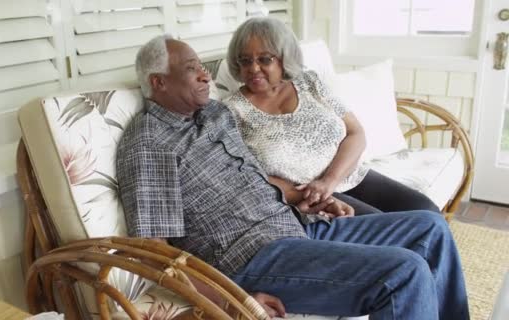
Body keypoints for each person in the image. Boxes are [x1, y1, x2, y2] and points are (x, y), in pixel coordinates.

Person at [116, 34, 469, 319]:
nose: (206, 75)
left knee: (429, 227)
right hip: (249, 257)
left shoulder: (214, 115)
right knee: (403, 271)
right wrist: (229, 301)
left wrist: (306, 198)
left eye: (202, 68)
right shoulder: (149, 142)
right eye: (193, 69)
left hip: (296, 227)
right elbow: (153, 251)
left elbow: (253, 180)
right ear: (158, 82)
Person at [223, 17, 439, 215]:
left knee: (426, 210)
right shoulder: (231, 110)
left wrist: (329, 181)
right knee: (392, 228)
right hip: (306, 196)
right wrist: (312, 194)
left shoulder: (309, 82)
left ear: (283, 58)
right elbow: (241, 171)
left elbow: (355, 133)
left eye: (265, 59)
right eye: (245, 60)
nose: (253, 68)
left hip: (348, 176)